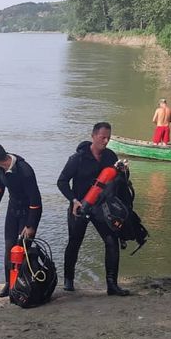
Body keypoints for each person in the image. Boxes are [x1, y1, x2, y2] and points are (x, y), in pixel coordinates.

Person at [56, 121, 130, 296]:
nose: (105, 141)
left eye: (108, 138)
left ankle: (112, 285)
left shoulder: (110, 157)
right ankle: (68, 280)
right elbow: (62, 182)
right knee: (74, 243)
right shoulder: (78, 158)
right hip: (79, 206)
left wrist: (124, 172)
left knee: (111, 242)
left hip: (101, 208)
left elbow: (118, 182)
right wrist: (73, 200)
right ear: (93, 136)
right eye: (102, 137)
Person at [0, 142, 42, 298]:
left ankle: (23, 284)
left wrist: (30, 225)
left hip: (29, 210)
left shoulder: (24, 170)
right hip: (13, 208)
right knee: (9, 248)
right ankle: (9, 284)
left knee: (22, 249)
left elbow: (35, 200)